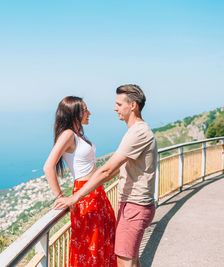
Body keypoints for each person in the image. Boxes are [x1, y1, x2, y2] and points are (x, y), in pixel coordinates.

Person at [54, 85, 157, 267]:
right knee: (128, 258)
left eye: (118, 104)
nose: (114, 108)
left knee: (124, 261)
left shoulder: (138, 132)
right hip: (129, 203)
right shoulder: (135, 131)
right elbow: (119, 167)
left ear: (132, 105)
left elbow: (107, 170)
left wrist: (74, 198)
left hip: (134, 205)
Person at [43, 96, 117, 267]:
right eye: (85, 110)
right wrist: (60, 197)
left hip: (96, 191)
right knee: (90, 246)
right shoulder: (68, 135)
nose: (89, 113)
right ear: (74, 113)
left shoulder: (79, 134)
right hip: (85, 194)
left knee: (103, 240)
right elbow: (48, 167)